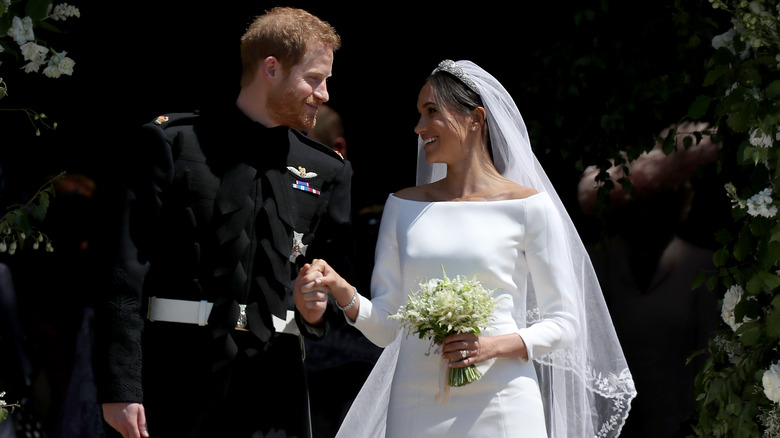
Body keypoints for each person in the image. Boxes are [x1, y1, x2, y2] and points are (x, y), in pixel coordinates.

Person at [294, 60, 637, 437]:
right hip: (414, 402)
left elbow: (564, 323)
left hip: (503, 399)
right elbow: (390, 329)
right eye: (418, 114)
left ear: (475, 118)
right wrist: (345, 294)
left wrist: (492, 346)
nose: (419, 127)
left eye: (431, 112)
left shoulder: (529, 208)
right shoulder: (402, 207)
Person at [94, 7, 353, 438]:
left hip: (275, 389)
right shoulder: (174, 143)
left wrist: (317, 310)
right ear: (271, 68)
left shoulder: (327, 170)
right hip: (175, 379)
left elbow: (337, 286)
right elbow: (123, 273)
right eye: (314, 78)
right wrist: (120, 386)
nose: (324, 93)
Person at [578, 122, 721, 438]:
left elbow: (708, 357)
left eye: (653, 205)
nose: (643, 216)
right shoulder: (599, 261)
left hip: (677, 424)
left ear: (674, 207)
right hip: (611, 423)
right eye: (634, 206)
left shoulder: (701, 265)